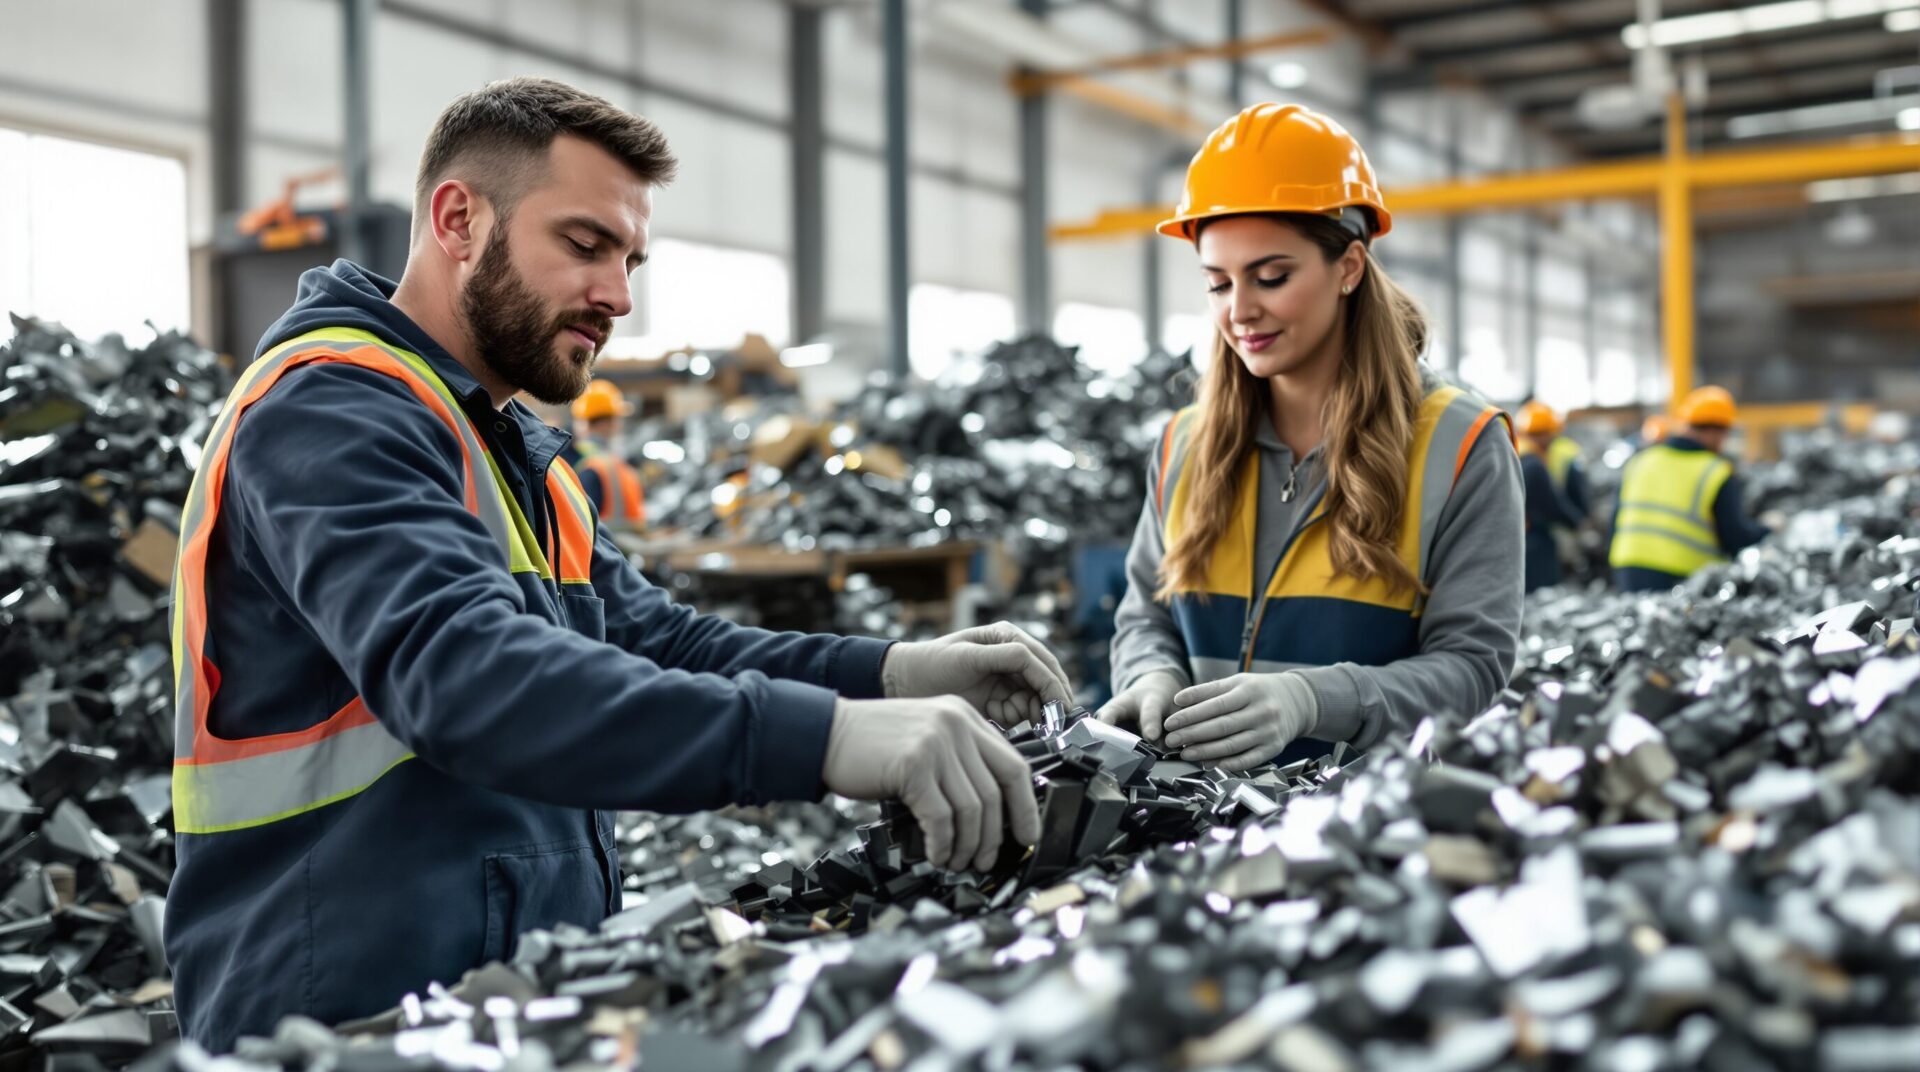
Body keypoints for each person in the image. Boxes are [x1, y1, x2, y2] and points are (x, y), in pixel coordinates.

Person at [165, 77, 1067, 1050]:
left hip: (492, 1000)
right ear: (459, 220)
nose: (619, 296)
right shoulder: (330, 412)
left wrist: (892, 672)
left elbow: (661, 643)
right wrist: (832, 740)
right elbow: (464, 676)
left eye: (630, 258)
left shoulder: (517, 454)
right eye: (586, 245)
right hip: (341, 1013)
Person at [1098, 102, 1524, 770]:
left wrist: (1314, 701)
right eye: (1218, 284)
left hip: (1359, 840)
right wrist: (1150, 676)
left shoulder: (1461, 446)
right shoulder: (1182, 444)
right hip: (1189, 831)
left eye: (1272, 277)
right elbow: (1144, 617)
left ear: (1349, 266)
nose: (1239, 312)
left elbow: (1473, 672)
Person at [1610, 385, 1770, 591]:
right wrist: (1766, 529)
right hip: (1680, 574)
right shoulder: (1715, 472)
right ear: (1715, 431)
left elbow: (1615, 521)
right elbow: (1735, 537)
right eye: (1725, 433)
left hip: (1628, 566)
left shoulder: (1641, 460)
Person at [1515, 401, 1586, 592]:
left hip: (1516, 539)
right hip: (1532, 543)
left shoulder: (1515, 455)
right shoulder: (1534, 465)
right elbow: (1552, 505)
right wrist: (1578, 522)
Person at [565, 379, 647, 531]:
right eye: (618, 418)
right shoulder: (598, 465)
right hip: (614, 548)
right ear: (607, 422)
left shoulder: (574, 462)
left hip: (609, 547)